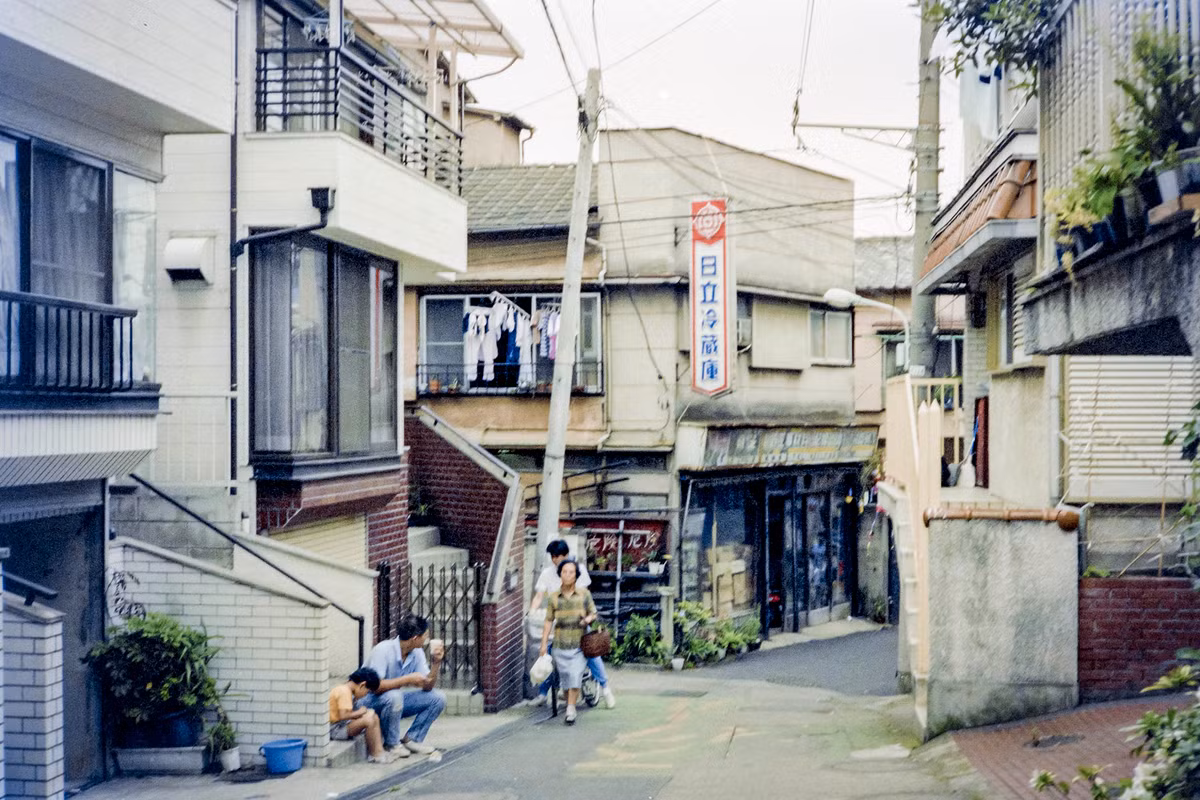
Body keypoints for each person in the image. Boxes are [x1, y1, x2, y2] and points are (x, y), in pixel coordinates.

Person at [529, 540, 616, 709]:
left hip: (578, 624)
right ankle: (543, 693)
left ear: (566, 556)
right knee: (546, 654)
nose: (555, 560)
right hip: (559, 625)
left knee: (591, 653)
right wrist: (532, 611)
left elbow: (584, 596)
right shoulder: (547, 573)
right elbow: (539, 596)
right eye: (553, 556)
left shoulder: (577, 570)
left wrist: (585, 617)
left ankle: (606, 689)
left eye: (558, 556)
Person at [357, 613, 446, 756]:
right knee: (395, 696)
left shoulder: (416, 652)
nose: (427, 639)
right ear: (415, 638)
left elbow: (428, 686)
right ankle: (392, 744)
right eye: (425, 636)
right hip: (366, 702)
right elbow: (375, 687)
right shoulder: (383, 650)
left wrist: (436, 663)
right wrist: (407, 679)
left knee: (438, 698)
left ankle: (412, 740)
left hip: (393, 702)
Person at [539, 558, 597, 725]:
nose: (567, 575)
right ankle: (569, 704)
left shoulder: (584, 594)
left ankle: (571, 708)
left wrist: (587, 620)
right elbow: (548, 621)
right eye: (564, 572)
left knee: (575, 675)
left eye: (571, 572)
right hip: (560, 643)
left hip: (579, 643)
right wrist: (543, 644)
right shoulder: (554, 597)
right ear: (560, 574)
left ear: (576, 575)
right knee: (565, 679)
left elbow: (593, 613)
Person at [328, 667, 396, 764]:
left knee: (373, 716)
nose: (365, 695)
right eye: (367, 691)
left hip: (342, 724)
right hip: (335, 729)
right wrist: (360, 712)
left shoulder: (347, 690)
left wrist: (364, 713)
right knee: (368, 720)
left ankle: (379, 751)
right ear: (362, 685)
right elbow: (343, 715)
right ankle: (374, 755)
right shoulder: (344, 691)